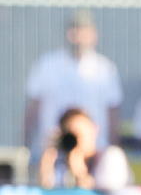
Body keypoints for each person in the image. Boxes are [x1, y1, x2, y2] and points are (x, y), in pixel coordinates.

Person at [25, 9, 123, 162]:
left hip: (94, 154)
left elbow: (113, 112)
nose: (78, 35)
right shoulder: (47, 64)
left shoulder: (104, 68)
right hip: (54, 152)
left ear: (93, 34)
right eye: (74, 29)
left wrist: (113, 149)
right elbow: (33, 108)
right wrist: (26, 147)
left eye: (83, 30)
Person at [39, 107, 132, 190]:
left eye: (79, 134)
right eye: (70, 136)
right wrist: (48, 161)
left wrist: (79, 172)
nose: (75, 142)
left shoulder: (111, 157)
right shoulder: (62, 164)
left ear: (94, 130)